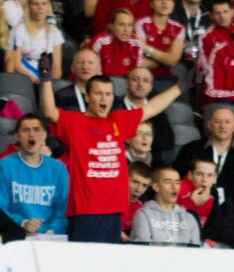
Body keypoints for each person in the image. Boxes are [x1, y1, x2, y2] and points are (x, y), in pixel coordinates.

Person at [41, 59, 182, 243]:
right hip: (85, 211)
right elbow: (49, 111)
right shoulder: (74, 121)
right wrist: (45, 80)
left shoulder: (119, 119)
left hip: (113, 212)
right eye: (98, 93)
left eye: (108, 94)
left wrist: (181, 86)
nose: (104, 98)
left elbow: (152, 108)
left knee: (108, 269)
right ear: (87, 97)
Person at [0, 113, 68, 236]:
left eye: (36, 130)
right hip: (14, 235)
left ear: (44, 135)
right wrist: (22, 223)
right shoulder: (3, 167)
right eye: (26, 130)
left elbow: (63, 209)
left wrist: (51, 232)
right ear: (17, 136)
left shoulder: (58, 169)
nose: (31, 134)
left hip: (50, 237)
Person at [114, 66, 174, 164]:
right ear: (127, 83)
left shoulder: (158, 111)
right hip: (120, 161)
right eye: (135, 79)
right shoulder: (115, 107)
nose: (140, 84)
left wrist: (140, 139)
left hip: (151, 163)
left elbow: (168, 142)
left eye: (145, 81)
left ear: (150, 87)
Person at [130, 166, 201, 245]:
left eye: (177, 182)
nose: (174, 186)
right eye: (168, 182)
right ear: (156, 187)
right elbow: (142, 249)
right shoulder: (143, 214)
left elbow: (195, 250)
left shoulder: (189, 218)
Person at [7, 0, 61, 83]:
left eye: (44, 4)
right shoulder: (19, 30)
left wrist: (50, 84)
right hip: (24, 77)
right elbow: (16, 65)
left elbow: (57, 67)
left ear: (48, 7)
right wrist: (35, 80)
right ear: (29, 7)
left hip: (47, 77)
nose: (40, 8)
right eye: (35, 4)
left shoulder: (55, 33)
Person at [134, 0, 184, 82]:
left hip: (167, 78)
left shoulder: (179, 29)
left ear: (173, 5)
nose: (164, 2)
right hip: (142, 76)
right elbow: (140, 62)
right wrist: (165, 58)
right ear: (151, 4)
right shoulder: (141, 24)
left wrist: (147, 49)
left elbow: (172, 61)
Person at [92, 8, 145, 78]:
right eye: (121, 24)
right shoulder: (100, 41)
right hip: (103, 82)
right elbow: (92, 71)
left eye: (130, 25)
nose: (126, 29)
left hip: (126, 85)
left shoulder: (137, 44)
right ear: (112, 26)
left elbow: (138, 74)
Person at [54, 48, 102, 112]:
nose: (85, 67)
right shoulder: (60, 96)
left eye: (90, 63)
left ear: (99, 69)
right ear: (72, 68)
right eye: (81, 62)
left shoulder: (108, 97)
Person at [175, 158, 217, 227]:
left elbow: (213, 224)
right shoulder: (177, 189)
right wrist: (192, 202)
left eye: (209, 175)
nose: (204, 180)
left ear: (215, 178)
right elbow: (169, 219)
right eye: (199, 174)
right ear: (190, 175)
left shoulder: (213, 193)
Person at [199, 0, 234, 74]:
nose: (222, 16)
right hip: (218, 79)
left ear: (232, 12)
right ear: (211, 16)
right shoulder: (205, 38)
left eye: (225, 12)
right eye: (218, 13)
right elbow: (207, 69)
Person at [123, 160, 151, 239]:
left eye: (144, 185)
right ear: (125, 178)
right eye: (135, 182)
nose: (139, 189)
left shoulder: (142, 208)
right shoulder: (109, 202)